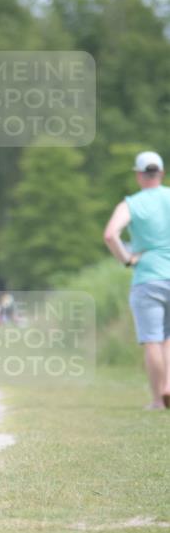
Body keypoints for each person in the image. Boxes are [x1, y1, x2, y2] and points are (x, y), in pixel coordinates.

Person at [104, 150, 170, 409]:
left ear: (139, 175)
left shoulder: (131, 204)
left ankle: (156, 399)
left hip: (148, 277)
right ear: (161, 173)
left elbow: (110, 235)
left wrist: (127, 259)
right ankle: (169, 383)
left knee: (151, 339)